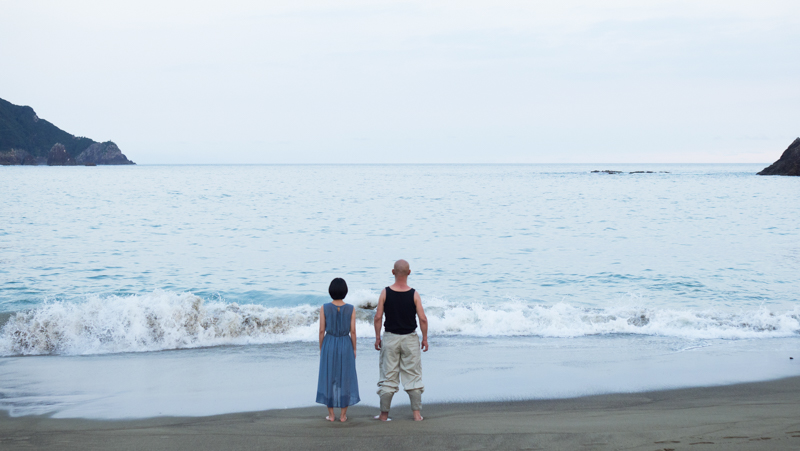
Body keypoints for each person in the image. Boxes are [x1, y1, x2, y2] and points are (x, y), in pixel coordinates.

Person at [373, 259, 429, 421]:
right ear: (409, 273)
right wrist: (424, 338)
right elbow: (423, 319)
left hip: (390, 338)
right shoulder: (414, 294)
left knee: (388, 376)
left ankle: (384, 415)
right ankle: (417, 414)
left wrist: (378, 337)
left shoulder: (385, 292)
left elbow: (378, 317)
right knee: (413, 375)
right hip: (410, 339)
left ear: (393, 272)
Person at [316, 278, 360, 422]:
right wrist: (354, 348)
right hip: (345, 343)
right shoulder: (351, 308)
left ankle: (331, 415)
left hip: (329, 342)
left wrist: (322, 347)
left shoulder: (324, 307)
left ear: (331, 291)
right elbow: (353, 331)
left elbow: (322, 330)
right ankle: (343, 415)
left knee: (329, 376)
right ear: (345, 291)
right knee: (345, 378)